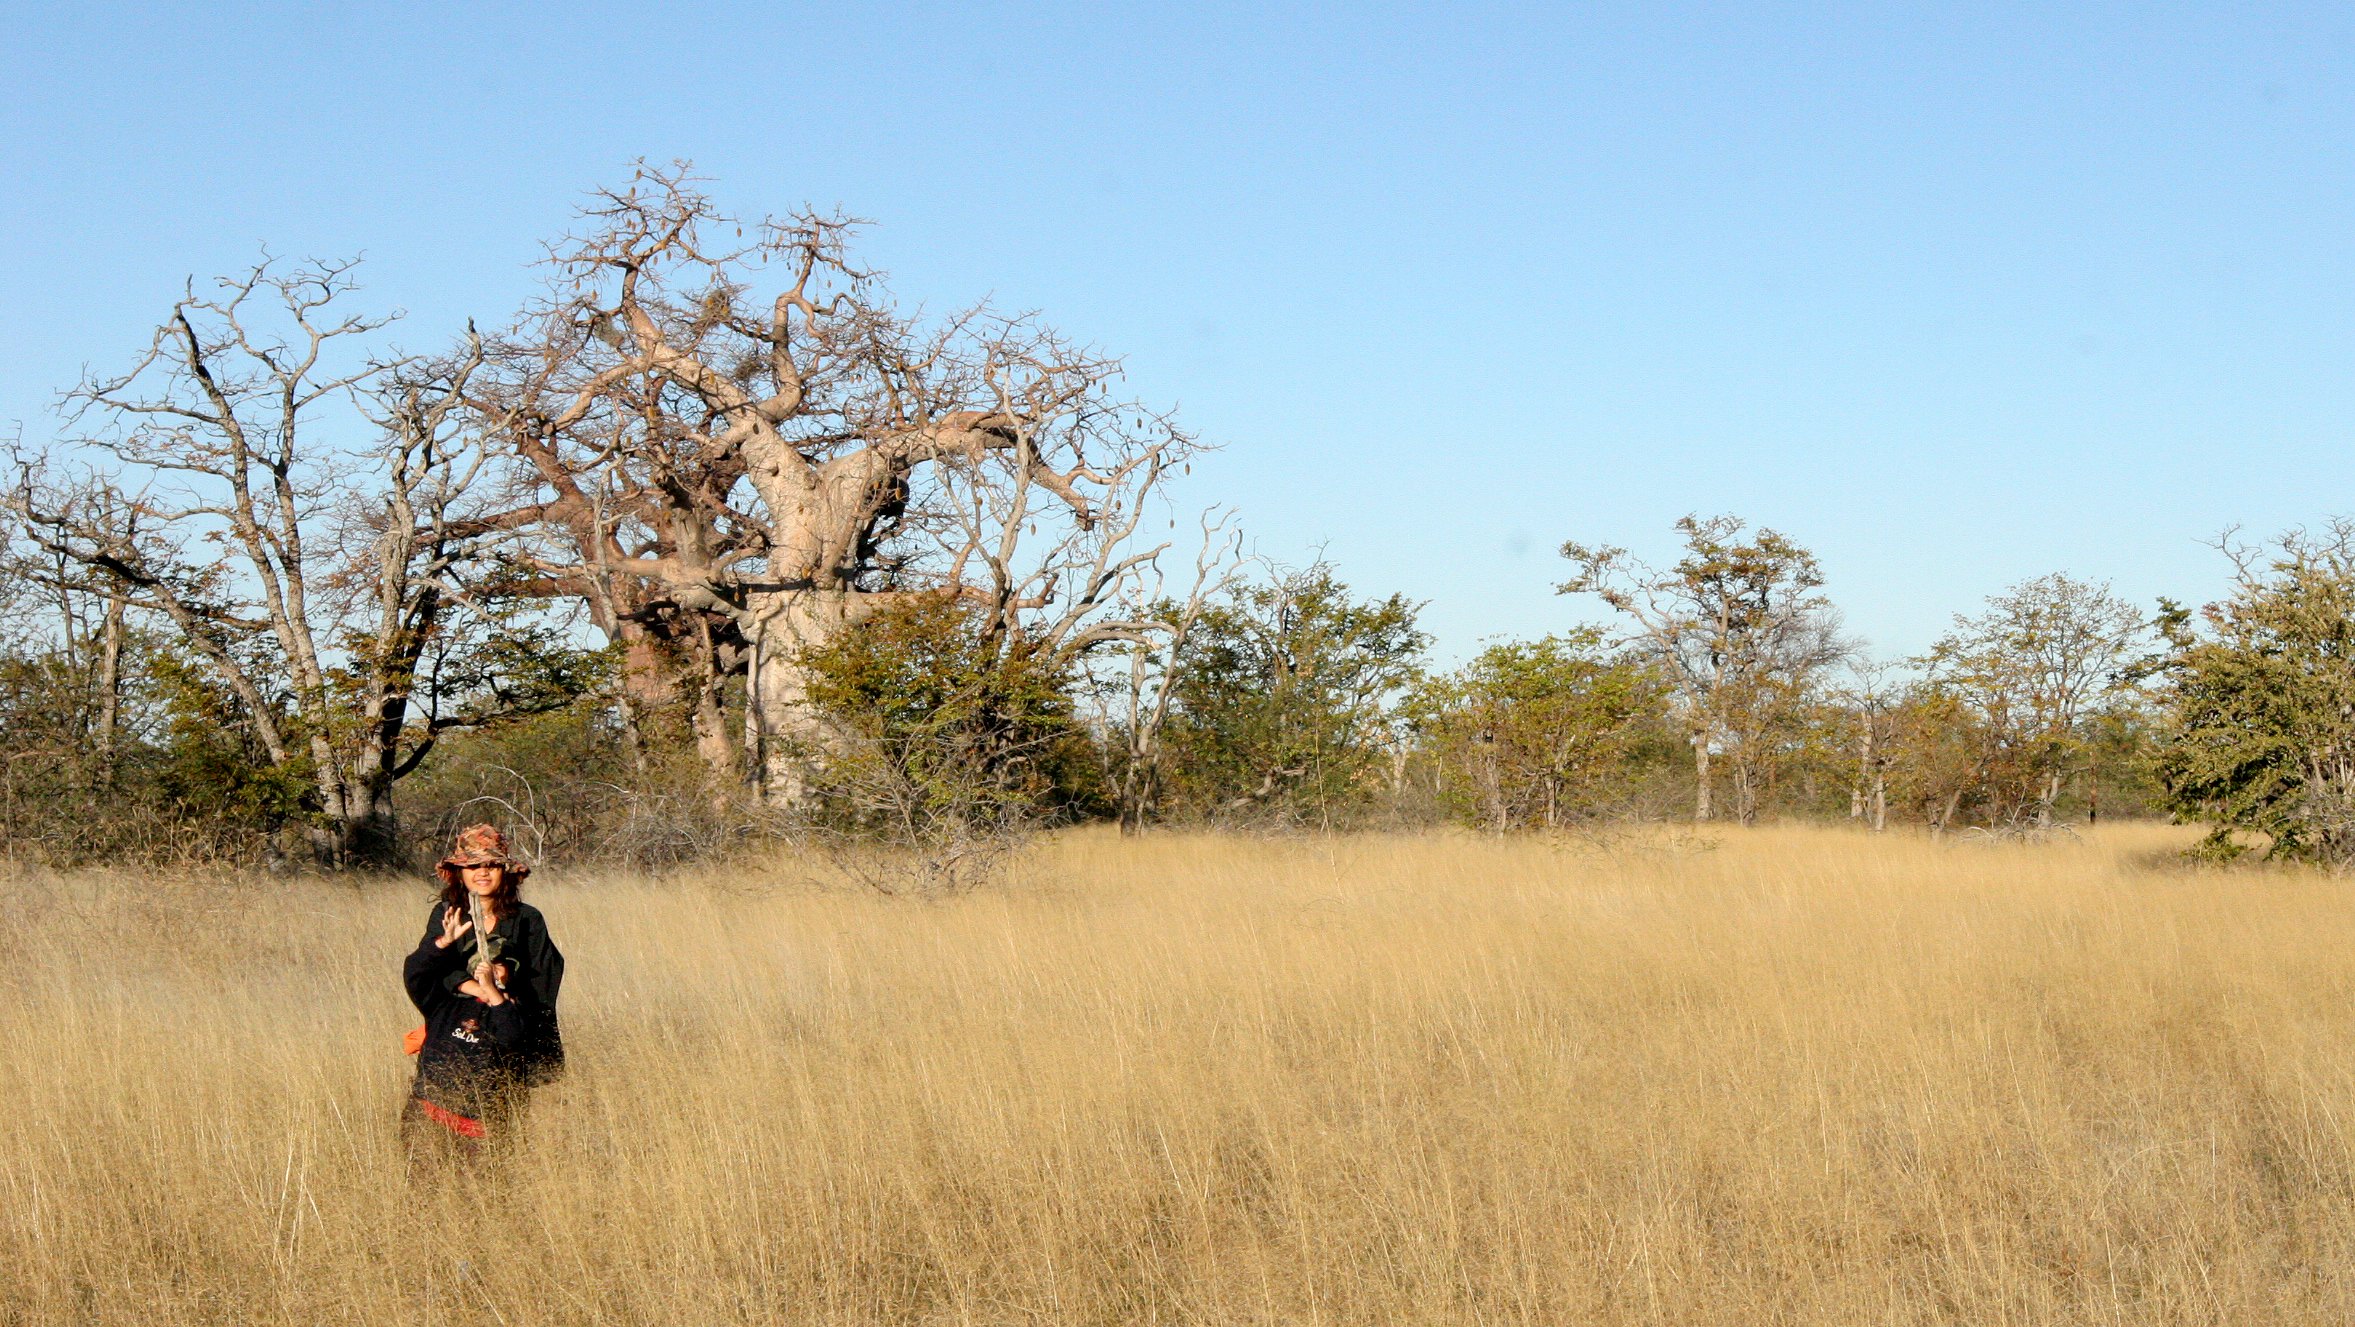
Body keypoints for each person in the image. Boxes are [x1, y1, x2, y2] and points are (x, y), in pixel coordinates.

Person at [401, 823, 564, 1160]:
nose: (483, 872)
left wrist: (506, 983)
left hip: (504, 1029)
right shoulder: (446, 913)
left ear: (506, 871)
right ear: (459, 873)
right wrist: (469, 984)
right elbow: (426, 971)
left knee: (493, 1149)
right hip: (451, 1029)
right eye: (473, 865)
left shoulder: (527, 919)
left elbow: (544, 980)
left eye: (491, 865)